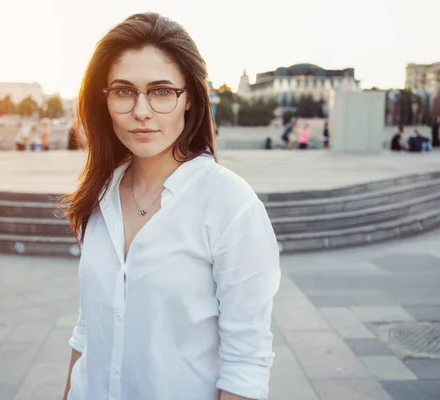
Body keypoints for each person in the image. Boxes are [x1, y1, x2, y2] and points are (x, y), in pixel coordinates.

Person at [61, 12, 280, 400]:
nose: (141, 111)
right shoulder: (99, 195)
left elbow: (246, 366)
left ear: (190, 98)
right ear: (104, 99)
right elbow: (87, 330)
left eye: (161, 91)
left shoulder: (231, 205)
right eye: (124, 91)